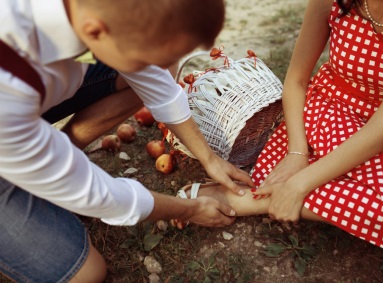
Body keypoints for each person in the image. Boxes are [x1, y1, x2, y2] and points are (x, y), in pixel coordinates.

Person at [0, 0, 255, 281]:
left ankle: (56, 155)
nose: (160, 69)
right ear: (95, 31)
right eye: (148, 60)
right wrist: (192, 208)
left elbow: (160, 85)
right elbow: (102, 197)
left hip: (30, 102)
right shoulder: (7, 92)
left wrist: (210, 158)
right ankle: (39, 172)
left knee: (156, 72)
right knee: (85, 275)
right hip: (9, 122)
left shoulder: (88, 14)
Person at [173, 0, 383, 257]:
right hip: (333, 113)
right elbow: (296, 80)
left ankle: (252, 200)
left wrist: (299, 185)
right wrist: (297, 154)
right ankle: (283, 186)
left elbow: (382, 128)